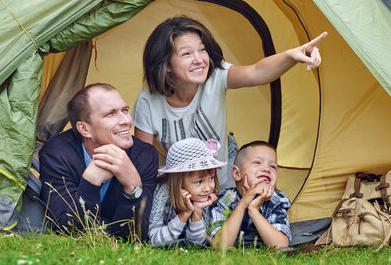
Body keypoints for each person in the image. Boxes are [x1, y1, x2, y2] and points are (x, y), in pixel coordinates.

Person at [132, 16, 327, 188]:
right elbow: (143, 161)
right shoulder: (148, 101)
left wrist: (292, 56)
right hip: (180, 179)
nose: (199, 59)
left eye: (202, 50)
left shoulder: (215, 75)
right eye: (186, 54)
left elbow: (257, 72)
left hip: (223, 165)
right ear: (165, 64)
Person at [39, 83, 158, 241]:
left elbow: (135, 237)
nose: (126, 120)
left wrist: (133, 186)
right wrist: (91, 182)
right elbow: (67, 230)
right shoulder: (57, 154)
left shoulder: (145, 155)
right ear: (84, 129)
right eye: (110, 114)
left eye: (125, 110)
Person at [209, 141, 291, 249]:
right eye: (257, 162)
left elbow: (280, 245)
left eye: (273, 166)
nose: (266, 169)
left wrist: (253, 209)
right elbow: (219, 246)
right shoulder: (225, 199)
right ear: (237, 174)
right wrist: (243, 204)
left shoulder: (277, 200)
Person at [148, 137, 226, 246]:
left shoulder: (203, 198)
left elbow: (197, 244)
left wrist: (197, 210)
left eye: (211, 178)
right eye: (199, 182)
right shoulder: (162, 195)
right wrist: (185, 214)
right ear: (179, 183)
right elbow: (155, 241)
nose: (208, 188)